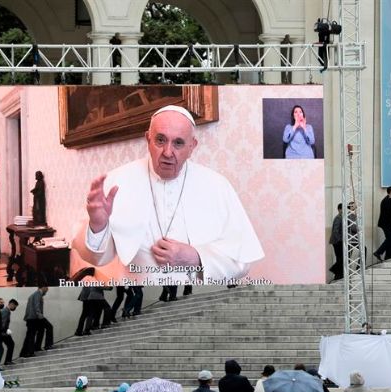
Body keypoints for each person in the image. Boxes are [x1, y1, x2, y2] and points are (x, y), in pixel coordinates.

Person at [72, 105, 264, 286]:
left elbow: (242, 260)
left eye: (178, 143)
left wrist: (197, 257)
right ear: (148, 139)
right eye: (160, 140)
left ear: (192, 146)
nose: (168, 152)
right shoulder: (117, 181)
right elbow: (96, 258)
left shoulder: (217, 186)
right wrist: (97, 226)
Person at [19, 286, 53, 358]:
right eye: (47, 289)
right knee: (49, 327)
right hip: (35, 317)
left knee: (33, 333)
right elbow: (36, 306)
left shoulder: (34, 295)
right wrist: (40, 316)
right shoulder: (37, 294)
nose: (47, 291)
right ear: (43, 288)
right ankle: (47, 345)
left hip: (32, 318)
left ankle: (28, 351)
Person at [0, 298, 18, 365]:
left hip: (2, 332)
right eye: (15, 306)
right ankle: (8, 361)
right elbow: (3, 322)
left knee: (10, 345)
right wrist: (6, 330)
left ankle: (8, 361)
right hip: (3, 333)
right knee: (11, 344)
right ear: (11, 304)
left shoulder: (6, 311)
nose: (15, 308)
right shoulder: (6, 311)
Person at [329, 203, 344, 280]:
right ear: (339, 209)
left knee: (340, 258)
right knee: (340, 258)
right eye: (342, 208)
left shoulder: (343, 217)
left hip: (339, 241)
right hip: (337, 241)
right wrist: (339, 240)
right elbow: (335, 231)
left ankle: (338, 274)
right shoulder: (338, 218)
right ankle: (337, 273)